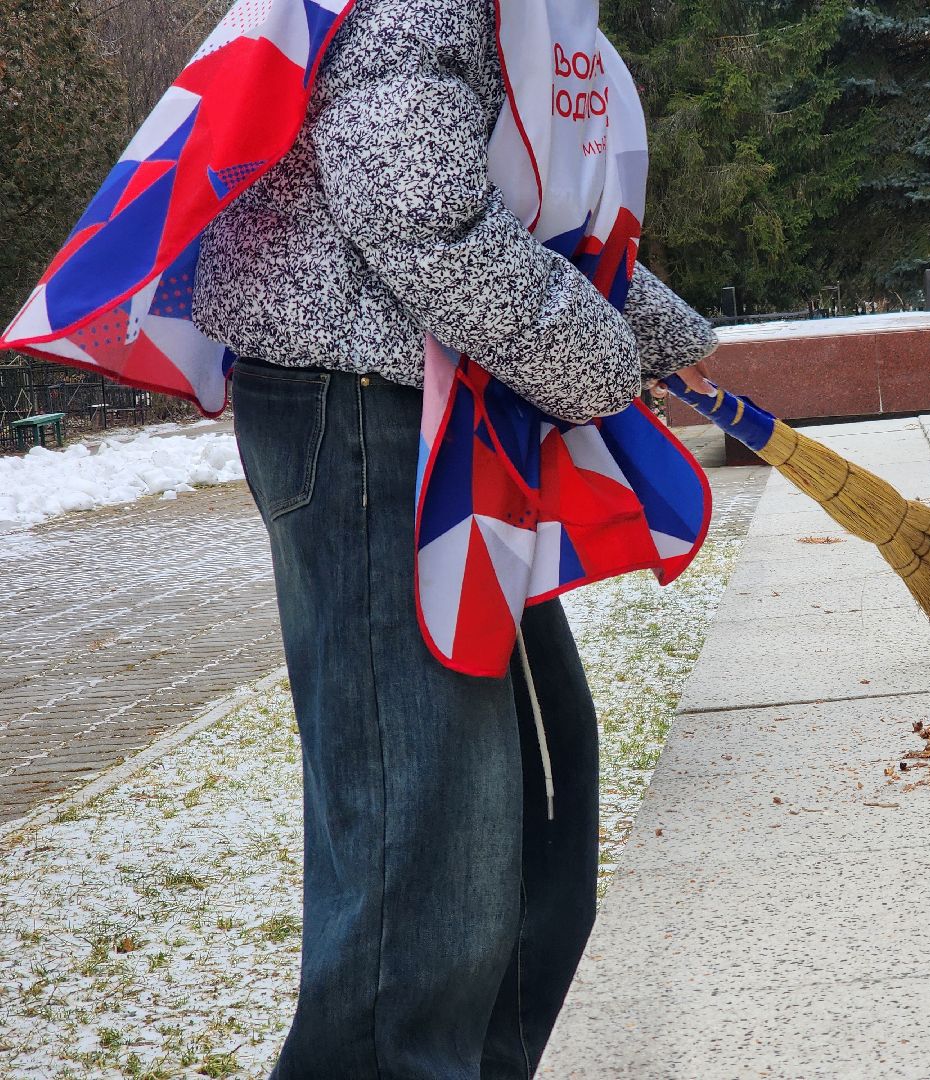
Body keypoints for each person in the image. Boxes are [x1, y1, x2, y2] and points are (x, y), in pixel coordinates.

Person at [191, 0, 716, 1075]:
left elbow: (521, 206)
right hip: (367, 414)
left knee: (525, 804)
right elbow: (414, 210)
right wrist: (603, 363)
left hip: (442, 411)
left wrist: (660, 337)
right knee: (425, 841)